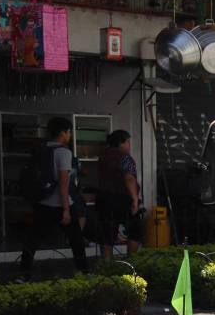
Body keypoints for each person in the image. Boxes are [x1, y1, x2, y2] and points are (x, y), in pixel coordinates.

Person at [18, 117, 88, 281]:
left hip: (42, 203)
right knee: (76, 241)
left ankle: (23, 275)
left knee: (32, 241)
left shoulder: (40, 150)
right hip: (60, 204)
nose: (69, 135)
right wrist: (65, 210)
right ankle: (84, 273)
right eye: (69, 132)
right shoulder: (64, 152)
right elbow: (63, 184)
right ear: (63, 133)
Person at [97, 130, 144, 258]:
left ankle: (108, 266)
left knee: (107, 234)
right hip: (123, 199)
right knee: (135, 230)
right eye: (128, 142)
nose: (129, 145)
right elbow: (129, 178)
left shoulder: (102, 156)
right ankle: (130, 262)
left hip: (104, 199)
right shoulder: (125, 157)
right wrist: (134, 199)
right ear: (121, 143)